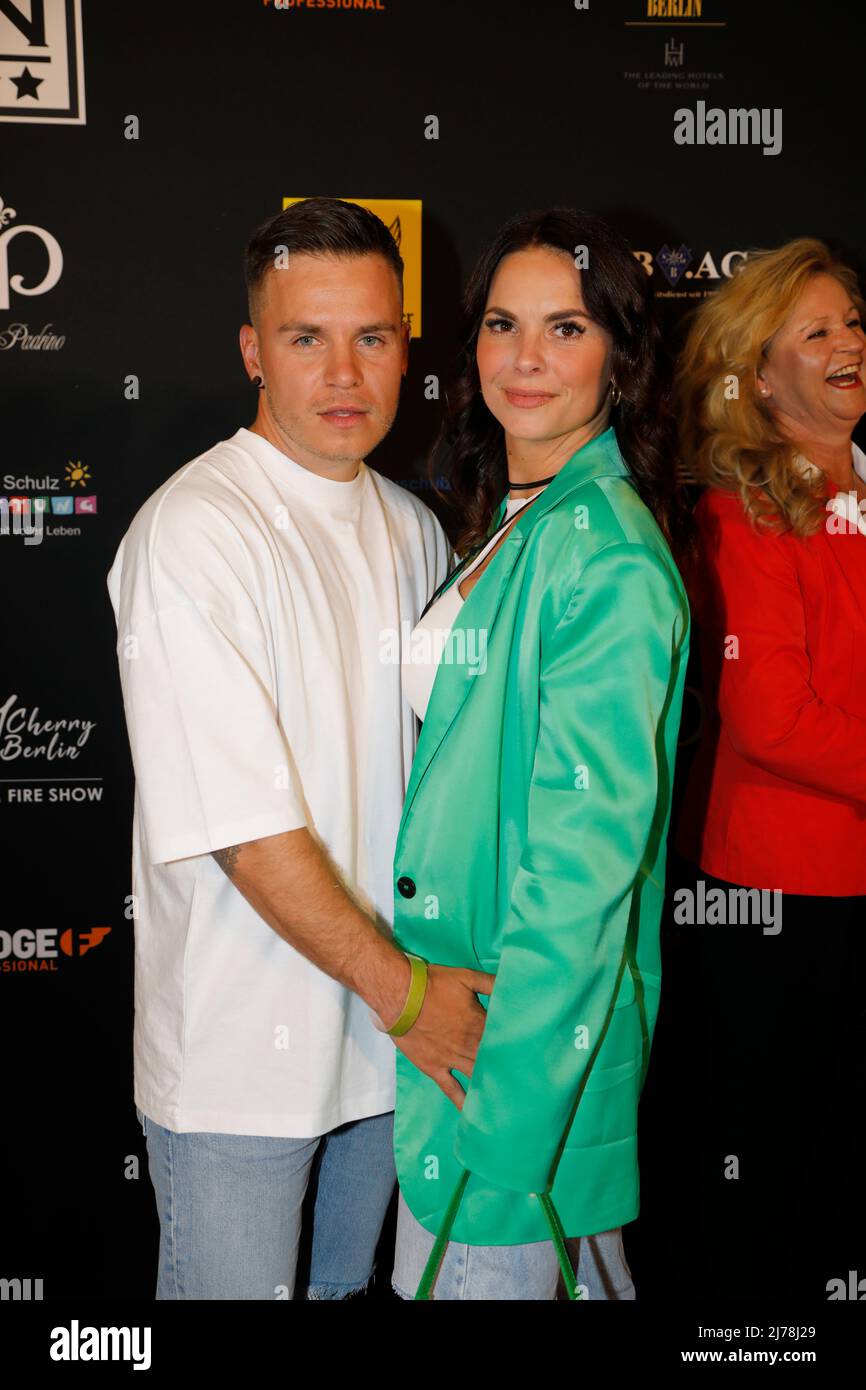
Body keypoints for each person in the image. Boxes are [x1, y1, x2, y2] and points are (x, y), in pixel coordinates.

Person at [106, 196, 495, 1300]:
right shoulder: (194, 531)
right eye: (304, 337)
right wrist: (414, 999)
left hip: (378, 1057)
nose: (342, 373)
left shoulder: (410, 525)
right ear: (251, 351)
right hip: (243, 1066)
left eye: (370, 337)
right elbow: (243, 831)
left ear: (404, 349)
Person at [387, 208, 691, 1300]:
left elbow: (580, 875)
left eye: (564, 328)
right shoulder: (521, 521)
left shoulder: (606, 558)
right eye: (502, 325)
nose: (524, 359)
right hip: (455, 1064)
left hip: (510, 1101)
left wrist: (502, 1128)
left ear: (618, 352)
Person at [672, 236, 866, 1300]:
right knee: (767, 1175)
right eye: (816, 328)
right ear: (758, 371)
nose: (848, 341)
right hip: (777, 899)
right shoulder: (739, 514)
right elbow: (773, 720)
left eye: (850, 321)